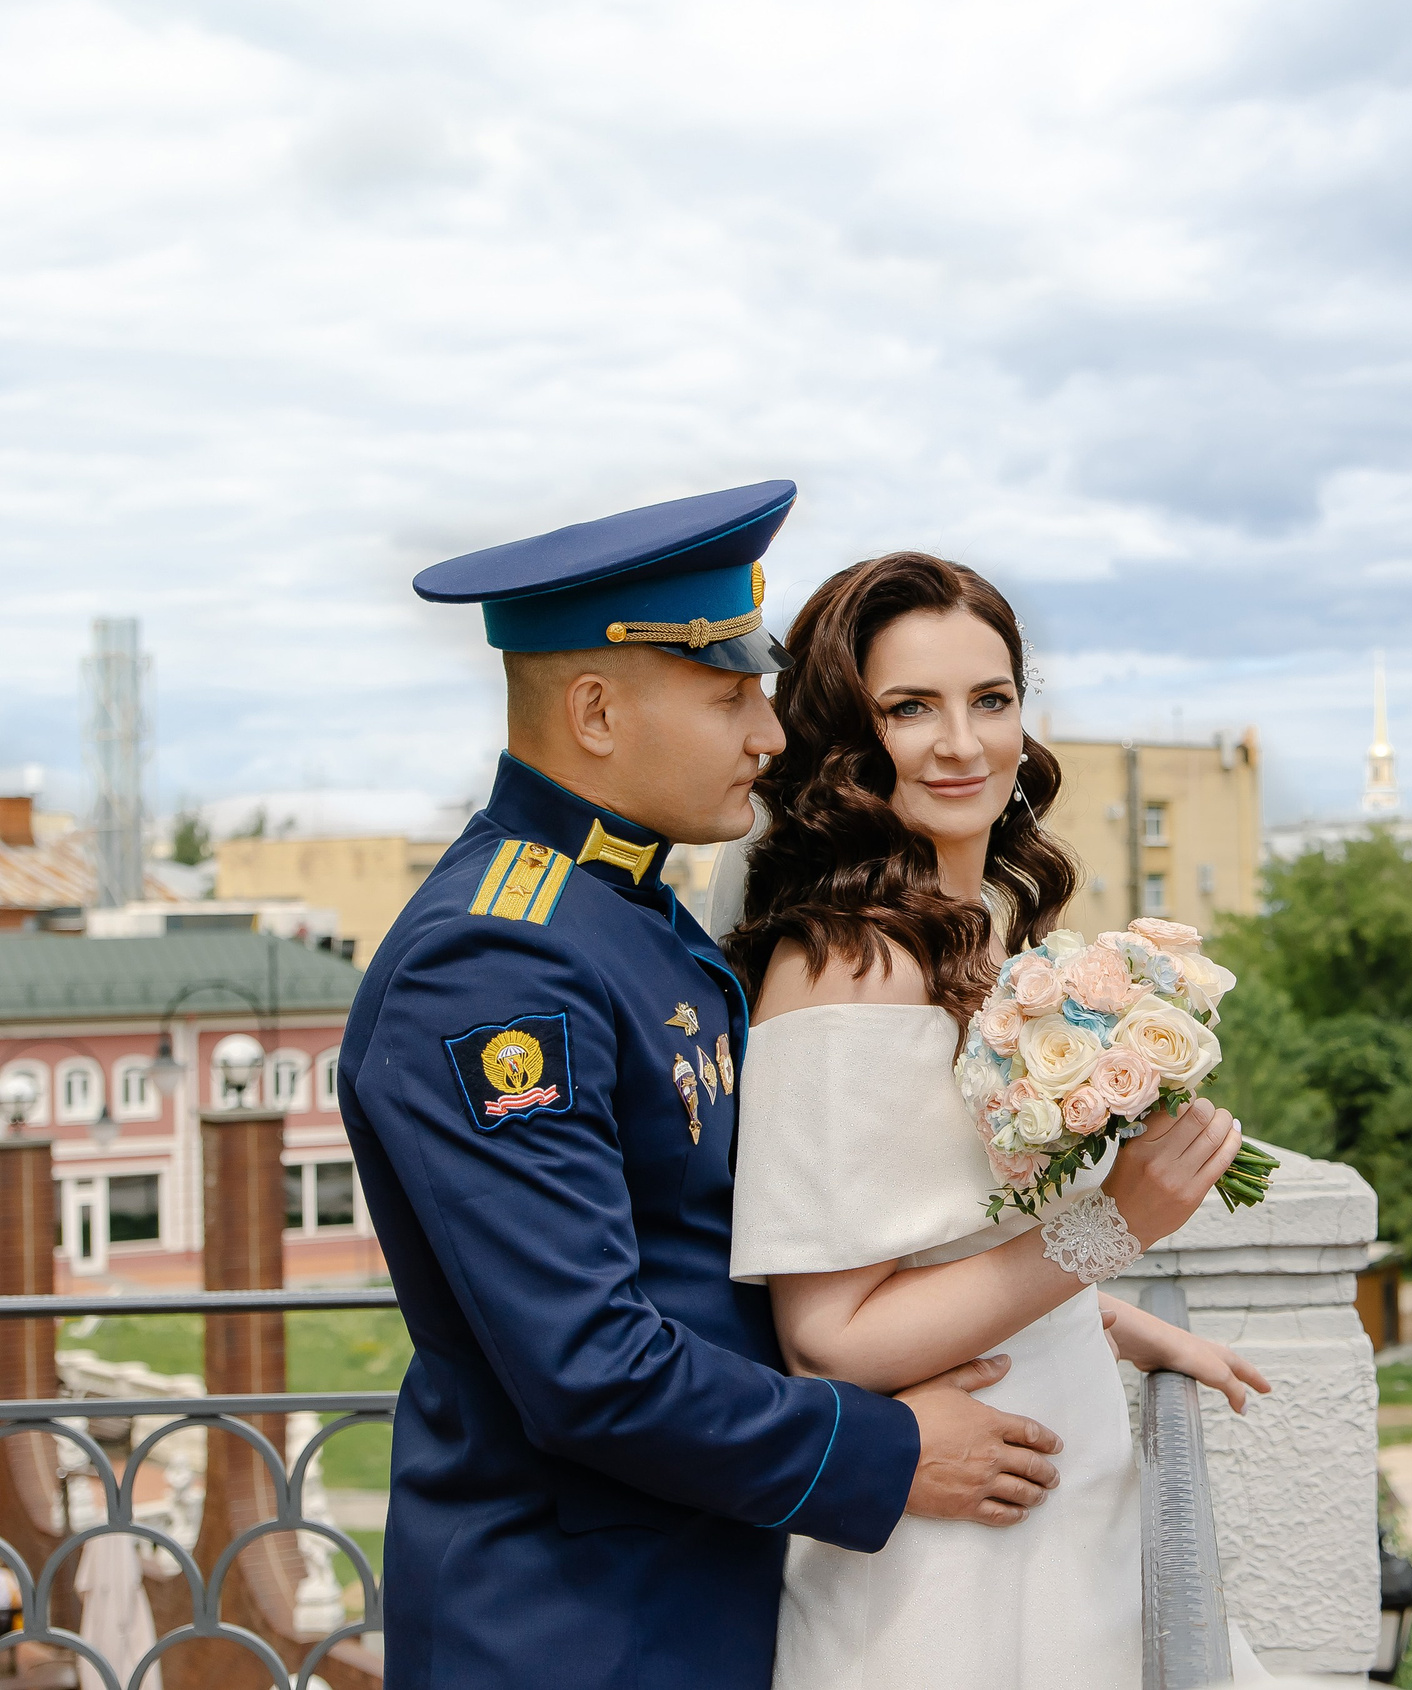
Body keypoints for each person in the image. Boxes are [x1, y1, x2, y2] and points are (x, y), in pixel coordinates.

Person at [343, 483, 1066, 1690]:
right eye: (730, 694)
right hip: (568, 1626)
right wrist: (881, 1449)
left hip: (695, 1588)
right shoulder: (492, 960)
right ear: (593, 709)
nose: (770, 735)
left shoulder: (628, 918)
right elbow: (589, 1363)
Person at [714, 551, 1271, 1688]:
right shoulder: (848, 962)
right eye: (909, 707)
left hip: (1055, 1472)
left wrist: (1113, 1321)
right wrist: (1114, 1223)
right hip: (947, 1530)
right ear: (847, 740)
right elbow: (829, 1333)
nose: (961, 742)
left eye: (991, 699)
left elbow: (947, 1228)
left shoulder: (982, 930)